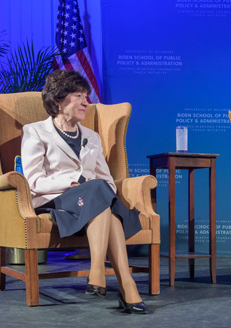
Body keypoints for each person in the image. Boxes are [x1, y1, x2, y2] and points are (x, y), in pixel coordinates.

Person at [21, 70, 147, 314]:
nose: (86, 102)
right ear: (58, 100)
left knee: (101, 194)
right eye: (78, 95)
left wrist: (90, 186)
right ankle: (117, 279)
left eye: (86, 96)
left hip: (91, 199)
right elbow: (34, 181)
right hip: (55, 201)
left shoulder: (92, 136)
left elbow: (108, 181)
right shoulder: (34, 131)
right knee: (97, 191)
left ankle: (111, 276)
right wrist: (75, 181)